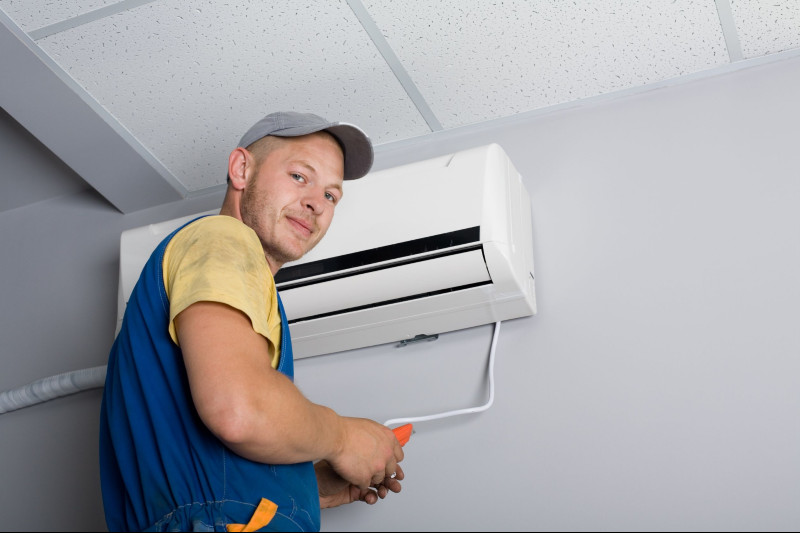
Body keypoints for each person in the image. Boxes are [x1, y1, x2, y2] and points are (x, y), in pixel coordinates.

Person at [99, 112, 405, 532]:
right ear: (242, 169)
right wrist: (342, 437)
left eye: (332, 196)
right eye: (300, 176)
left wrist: (305, 488)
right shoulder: (223, 238)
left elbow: (209, 477)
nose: (318, 202)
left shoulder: (238, 279)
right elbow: (238, 411)